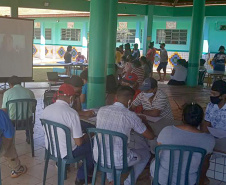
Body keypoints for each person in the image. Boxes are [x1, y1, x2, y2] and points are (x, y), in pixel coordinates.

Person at [93, 86, 155, 185]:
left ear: (116, 97)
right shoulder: (130, 115)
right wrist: (144, 122)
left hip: (98, 156)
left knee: (110, 146)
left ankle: (111, 180)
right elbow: (150, 136)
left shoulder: (101, 110)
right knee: (146, 153)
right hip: (118, 161)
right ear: (130, 100)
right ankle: (129, 182)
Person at [150, 103, 215, 185]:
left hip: (162, 181)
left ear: (183, 117)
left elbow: (159, 154)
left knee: (154, 161)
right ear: (201, 119)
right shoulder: (209, 140)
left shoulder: (167, 131)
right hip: (188, 182)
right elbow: (204, 165)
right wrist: (201, 181)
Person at [41, 84, 94, 185]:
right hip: (67, 153)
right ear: (71, 97)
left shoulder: (46, 109)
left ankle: (66, 168)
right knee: (92, 145)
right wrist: (89, 135)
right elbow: (79, 143)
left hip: (51, 149)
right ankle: (81, 177)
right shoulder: (71, 113)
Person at [201, 80, 226, 184]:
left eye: (214, 94)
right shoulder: (211, 105)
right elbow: (206, 123)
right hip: (212, 135)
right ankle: (203, 175)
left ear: (224, 96)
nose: (212, 96)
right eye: (211, 93)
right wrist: (203, 136)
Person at [2, 76, 35, 144]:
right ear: (20, 83)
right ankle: (29, 137)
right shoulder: (29, 92)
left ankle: (8, 139)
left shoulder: (7, 93)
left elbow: (4, 110)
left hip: (12, 122)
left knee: (3, 117)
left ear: (10, 84)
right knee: (28, 115)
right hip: (27, 121)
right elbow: (33, 108)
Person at [0, 110, 27, 178]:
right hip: (26, 119)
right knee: (8, 141)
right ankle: (16, 169)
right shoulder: (1, 114)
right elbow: (9, 135)